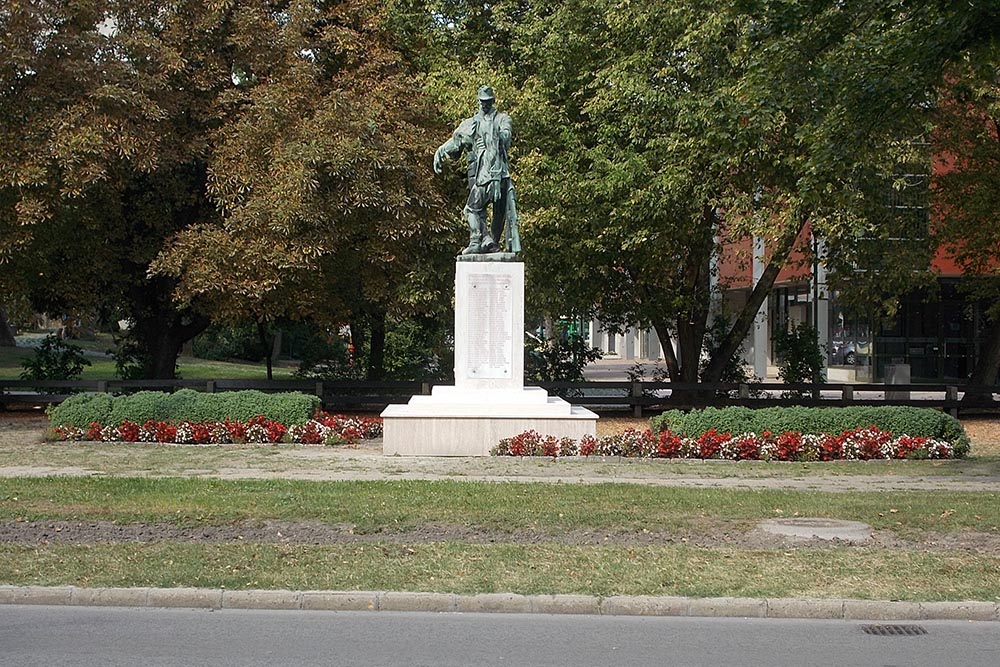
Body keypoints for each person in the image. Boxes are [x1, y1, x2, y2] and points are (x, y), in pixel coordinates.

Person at [434, 86, 520, 255]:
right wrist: (441, 150)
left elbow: (506, 136)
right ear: (478, 101)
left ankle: (479, 240)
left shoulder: (503, 119)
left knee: (484, 211)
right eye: (482, 102)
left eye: (487, 102)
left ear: (493, 101)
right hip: (480, 172)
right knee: (480, 210)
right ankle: (488, 242)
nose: (484, 105)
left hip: (495, 174)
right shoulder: (471, 122)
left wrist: (496, 136)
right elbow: (456, 140)